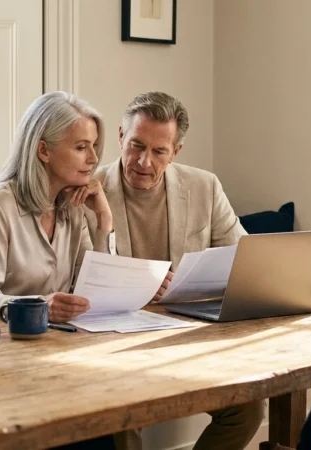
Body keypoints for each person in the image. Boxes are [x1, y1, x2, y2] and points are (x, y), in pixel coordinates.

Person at [87, 91, 264, 450]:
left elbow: (248, 259)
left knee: (249, 408)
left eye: (158, 151)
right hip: (113, 341)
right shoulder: (88, 191)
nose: (143, 161)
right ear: (121, 136)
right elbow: (79, 274)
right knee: (120, 414)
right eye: (136, 145)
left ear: (176, 152)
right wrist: (136, 288)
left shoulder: (204, 186)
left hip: (187, 335)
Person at [0, 91, 114, 325]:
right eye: (81, 147)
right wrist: (40, 306)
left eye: (94, 146)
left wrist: (104, 221)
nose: (93, 159)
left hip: (40, 330)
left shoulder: (73, 207)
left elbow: (95, 289)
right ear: (43, 151)